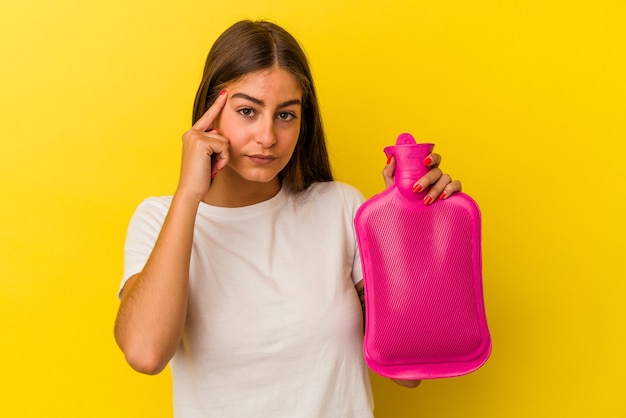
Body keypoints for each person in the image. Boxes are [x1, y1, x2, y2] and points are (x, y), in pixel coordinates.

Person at [114, 19, 462, 417]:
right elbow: (145, 353)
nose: (267, 136)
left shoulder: (341, 209)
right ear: (211, 113)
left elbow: (407, 370)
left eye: (286, 115)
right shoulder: (161, 218)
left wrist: (405, 224)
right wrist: (189, 194)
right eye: (247, 111)